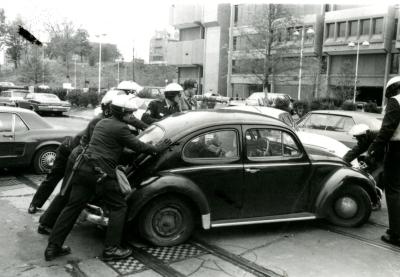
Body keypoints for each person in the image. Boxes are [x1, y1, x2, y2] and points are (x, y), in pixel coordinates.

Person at [44, 95, 171, 261]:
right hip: (101, 173)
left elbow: (110, 147)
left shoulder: (102, 123)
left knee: (72, 207)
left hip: (82, 169)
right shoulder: (121, 129)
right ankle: (111, 249)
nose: (132, 116)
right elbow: (139, 146)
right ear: (124, 113)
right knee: (119, 206)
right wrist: (157, 148)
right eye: (130, 113)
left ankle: (53, 247)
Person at [27, 93, 116, 214]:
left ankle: (57, 214)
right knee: (54, 179)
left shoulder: (107, 121)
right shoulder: (100, 121)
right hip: (68, 152)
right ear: (107, 109)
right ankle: (35, 204)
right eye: (112, 108)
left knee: (67, 186)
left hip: (76, 154)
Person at [367, 76, 400, 247]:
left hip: (397, 150)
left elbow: (387, 129)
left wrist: (372, 150)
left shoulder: (396, 101)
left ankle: (396, 234)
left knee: (394, 191)